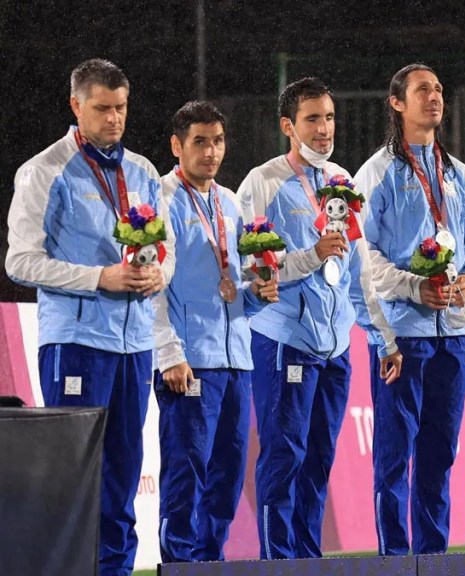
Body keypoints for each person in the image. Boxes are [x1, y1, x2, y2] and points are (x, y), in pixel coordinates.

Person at [6, 58, 169, 576]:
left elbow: (165, 249)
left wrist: (157, 274)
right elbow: (19, 260)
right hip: (76, 340)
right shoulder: (44, 170)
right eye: (102, 109)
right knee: (74, 478)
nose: (114, 119)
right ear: (76, 107)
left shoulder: (142, 171)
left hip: (135, 342)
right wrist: (100, 277)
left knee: (123, 475)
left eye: (121, 108)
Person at [237, 77, 400, 560]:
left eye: (329, 117)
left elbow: (357, 270)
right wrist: (310, 256)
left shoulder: (342, 184)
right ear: (288, 125)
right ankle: (277, 562)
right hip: (284, 339)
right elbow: (252, 267)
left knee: (319, 461)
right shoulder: (262, 182)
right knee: (284, 457)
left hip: (334, 348)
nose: (324, 128)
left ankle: (307, 561)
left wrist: (382, 337)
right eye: (312, 119)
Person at [353, 63, 465, 556]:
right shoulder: (376, 173)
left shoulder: (459, 173)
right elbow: (362, 254)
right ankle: (394, 560)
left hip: (454, 336)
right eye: (421, 90)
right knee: (393, 458)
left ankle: (432, 559)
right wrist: (416, 287)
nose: (434, 97)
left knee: (439, 457)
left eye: (438, 88)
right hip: (404, 338)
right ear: (397, 103)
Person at [152, 101, 279, 563]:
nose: (211, 151)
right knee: (187, 474)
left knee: (226, 476)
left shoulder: (229, 203)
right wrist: (168, 352)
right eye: (200, 141)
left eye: (218, 141)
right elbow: (151, 286)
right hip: (189, 361)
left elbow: (234, 288)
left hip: (234, 360)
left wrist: (257, 292)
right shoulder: (160, 201)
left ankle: (209, 561)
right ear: (176, 146)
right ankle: (180, 563)